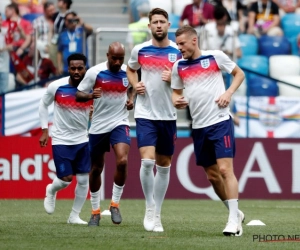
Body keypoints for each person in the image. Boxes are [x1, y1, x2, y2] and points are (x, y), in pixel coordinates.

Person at [171, 25, 245, 236]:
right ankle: (236, 213)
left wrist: (229, 93)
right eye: (177, 45)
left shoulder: (215, 57)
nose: (179, 48)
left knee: (225, 170)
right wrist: (177, 101)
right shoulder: (179, 67)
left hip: (220, 121)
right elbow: (175, 93)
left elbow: (239, 74)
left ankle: (233, 222)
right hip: (199, 126)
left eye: (182, 44)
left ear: (194, 40)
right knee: (213, 176)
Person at [126, 8, 182, 233]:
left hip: (168, 115)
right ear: (149, 26)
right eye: (155, 22)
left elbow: (188, 81)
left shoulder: (178, 52)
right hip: (145, 113)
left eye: (162, 22)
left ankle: (157, 212)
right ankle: (149, 207)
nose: (159, 25)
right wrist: (134, 83)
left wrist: (175, 78)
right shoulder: (140, 50)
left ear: (169, 25)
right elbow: (131, 69)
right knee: (147, 162)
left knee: (164, 166)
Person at [75, 42, 134, 227]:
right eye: (114, 58)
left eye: (120, 58)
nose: (117, 62)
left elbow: (133, 87)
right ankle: (95, 212)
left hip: (120, 122)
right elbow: (78, 94)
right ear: (107, 55)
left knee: (123, 161)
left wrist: (130, 99)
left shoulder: (128, 71)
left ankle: (115, 204)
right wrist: (91, 95)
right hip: (98, 126)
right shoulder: (95, 72)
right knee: (96, 168)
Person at [39, 53, 92, 224]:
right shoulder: (56, 86)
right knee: (66, 179)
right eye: (73, 68)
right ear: (68, 68)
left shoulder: (90, 88)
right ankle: (51, 190)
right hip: (61, 140)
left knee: (84, 179)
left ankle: (74, 216)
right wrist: (44, 130)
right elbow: (43, 104)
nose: (76, 71)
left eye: (80, 68)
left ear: (85, 68)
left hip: (83, 139)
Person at [57, 11, 93, 76]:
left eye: (72, 20)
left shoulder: (82, 31)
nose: (70, 22)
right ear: (65, 22)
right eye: (68, 20)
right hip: (67, 68)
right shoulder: (62, 35)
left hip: (82, 67)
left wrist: (82, 23)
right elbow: (60, 51)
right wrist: (59, 66)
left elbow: (91, 30)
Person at [0, 13, 10, 94]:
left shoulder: (6, 31)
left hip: (4, 68)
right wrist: (5, 48)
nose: (1, 22)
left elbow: (22, 38)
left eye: (1, 20)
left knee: (4, 94)